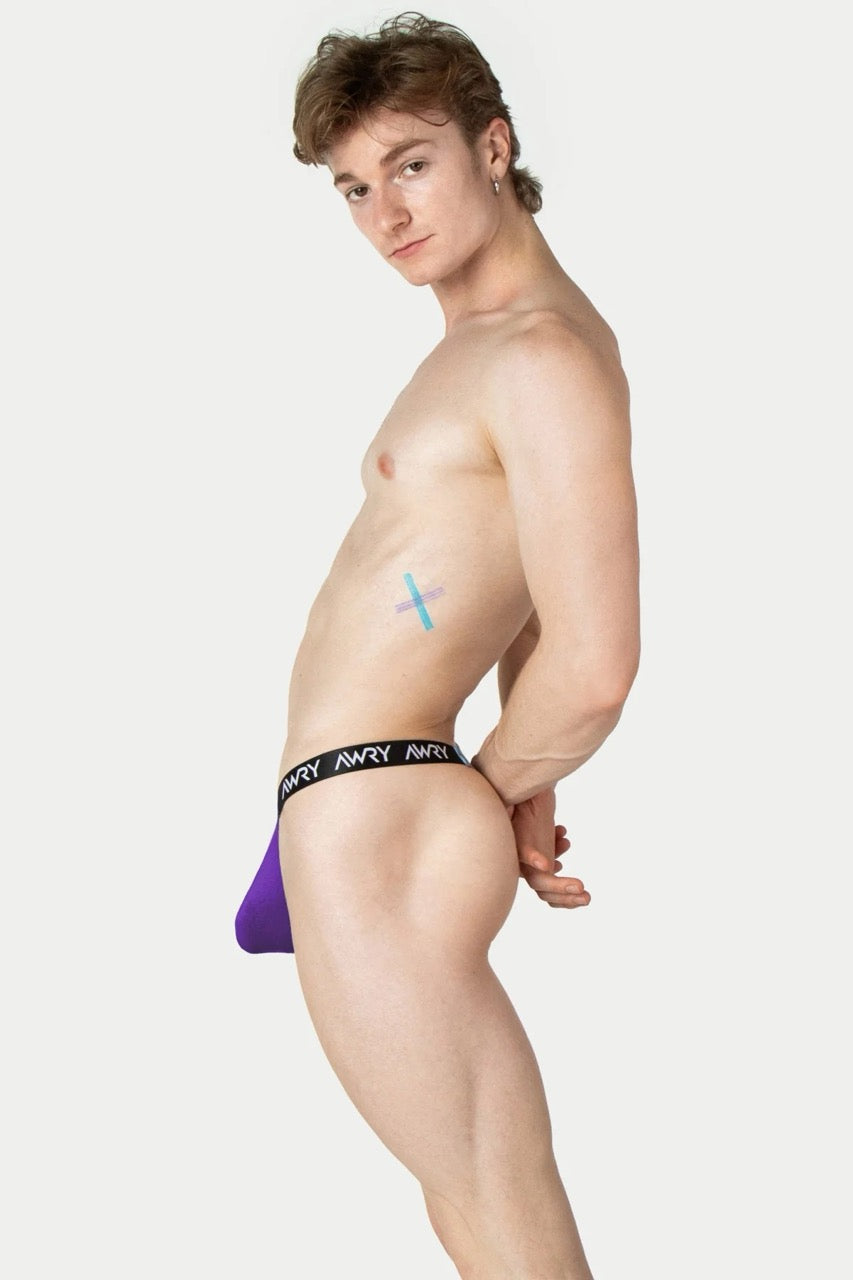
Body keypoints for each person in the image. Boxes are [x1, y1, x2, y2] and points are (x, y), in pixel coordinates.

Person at [236, 12, 639, 1278]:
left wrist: (496, 782)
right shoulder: (488, 344)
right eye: (355, 188)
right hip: (374, 809)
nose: (385, 214)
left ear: (494, 146)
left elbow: (597, 661)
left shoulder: (537, 353)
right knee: (472, 1209)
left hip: (388, 818)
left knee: (500, 1210)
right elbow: (526, 590)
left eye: (410, 164)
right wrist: (521, 784)